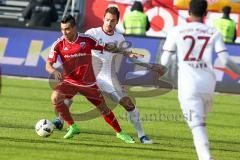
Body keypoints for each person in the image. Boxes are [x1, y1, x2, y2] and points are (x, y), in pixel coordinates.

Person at [54, 7, 153, 144]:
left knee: (128, 103)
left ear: (117, 21)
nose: (109, 23)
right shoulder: (92, 33)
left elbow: (127, 54)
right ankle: (59, 120)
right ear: (103, 19)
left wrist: (140, 61)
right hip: (87, 75)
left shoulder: (119, 37)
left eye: (112, 20)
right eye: (107, 19)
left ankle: (142, 135)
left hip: (106, 76)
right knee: (67, 94)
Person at [160, 0, 240, 159]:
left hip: (188, 85)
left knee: (196, 125)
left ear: (188, 12)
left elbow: (164, 62)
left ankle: (206, 157)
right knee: (200, 122)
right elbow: (225, 60)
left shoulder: (176, 31)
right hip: (209, 84)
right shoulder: (213, 31)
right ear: (206, 13)